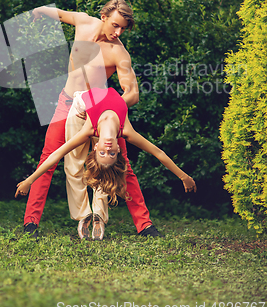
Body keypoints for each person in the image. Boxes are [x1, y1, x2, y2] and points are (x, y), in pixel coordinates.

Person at [22, 0, 159, 240]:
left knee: (122, 163)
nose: (118, 33)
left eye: (123, 29)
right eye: (115, 25)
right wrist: (40, 10)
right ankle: (30, 223)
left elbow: (133, 93)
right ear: (104, 16)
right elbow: (61, 14)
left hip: (98, 110)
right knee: (49, 159)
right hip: (67, 103)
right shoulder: (83, 22)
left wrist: (108, 106)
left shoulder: (118, 52)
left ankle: (144, 225)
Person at [16, 87, 197, 239]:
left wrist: (28, 180)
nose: (108, 147)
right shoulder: (126, 131)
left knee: (74, 161)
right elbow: (158, 152)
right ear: (119, 149)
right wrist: (184, 176)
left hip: (79, 113)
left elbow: (57, 154)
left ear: (95, 148)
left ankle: (97, 215)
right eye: (110, 153)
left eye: (103, 152)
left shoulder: (89, 130)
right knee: (75, 164)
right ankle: (85, 214)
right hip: (80, 110)